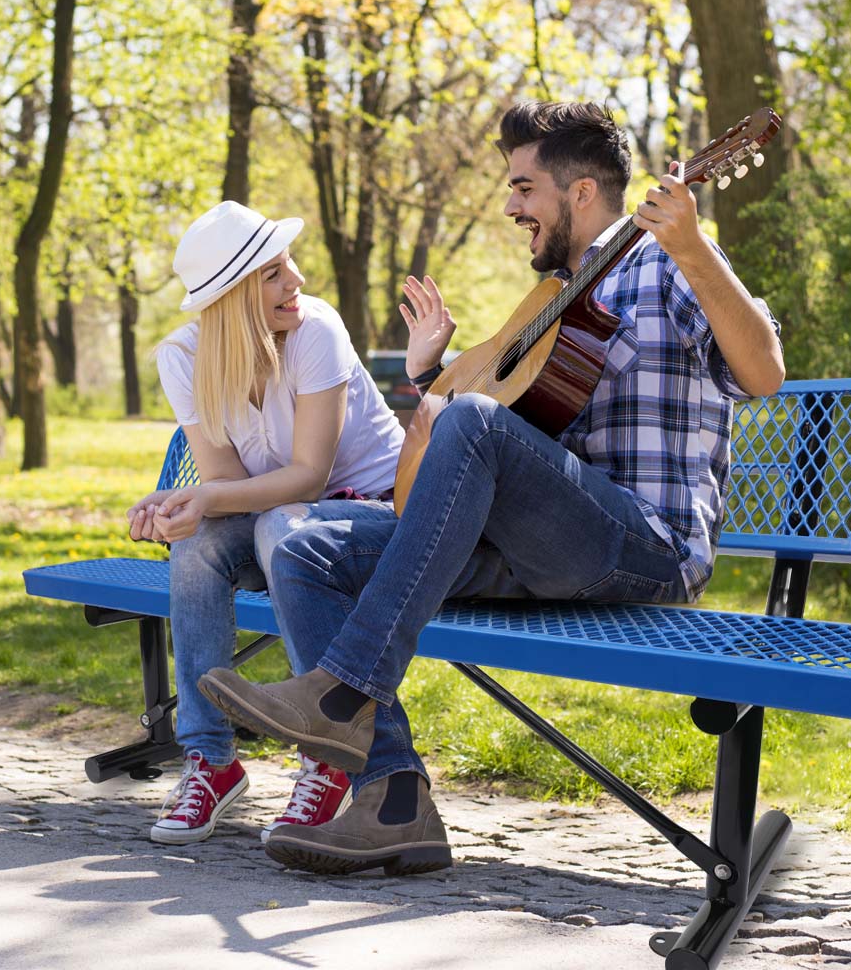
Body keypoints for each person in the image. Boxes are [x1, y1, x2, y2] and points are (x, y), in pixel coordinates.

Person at [196, 102, 785, 875]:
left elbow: (765, 373)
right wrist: (428, 379)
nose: (510, 208)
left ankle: (340, 696)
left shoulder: (663, 261)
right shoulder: (555, 296)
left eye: (523, 188)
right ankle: (393, 798)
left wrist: (696, 247)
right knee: (307, 547)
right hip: (541, 548)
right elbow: (505, 419)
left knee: (471, 423)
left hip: (645, 547)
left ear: (579, 193)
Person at [127, 199, 405, 846]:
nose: (298, 281)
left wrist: (208, 498)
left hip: (371, 514)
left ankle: (327, 752)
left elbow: (310, 474)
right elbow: (222, 482)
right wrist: (178, 504)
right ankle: (211, 761)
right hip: (280, 516)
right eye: (275, 273)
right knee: (198, 541)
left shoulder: (316, 331)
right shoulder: (183, 357)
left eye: (290, 265)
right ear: (231, 295)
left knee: (283, 528)